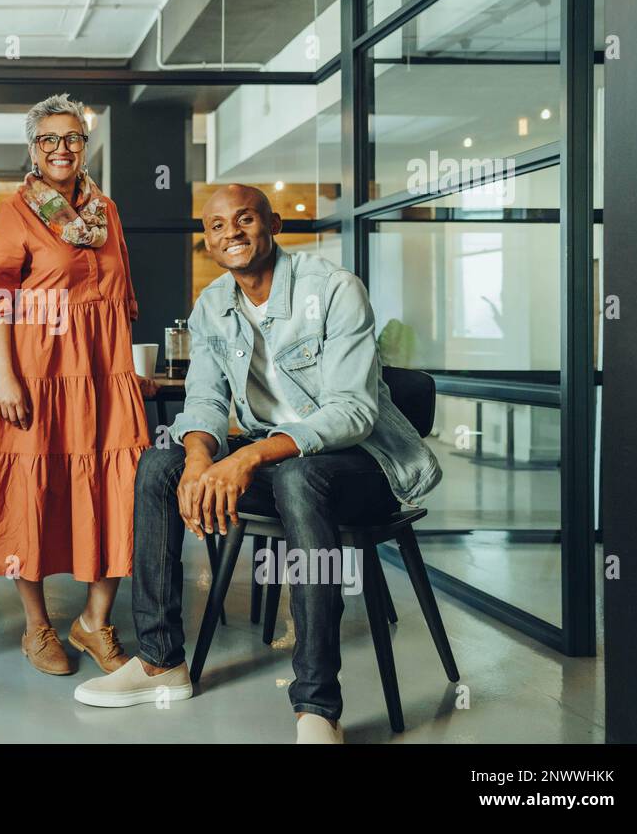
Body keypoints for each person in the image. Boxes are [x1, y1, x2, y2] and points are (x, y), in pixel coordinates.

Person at [73, 184, 442, 744]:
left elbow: (353, 412)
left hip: (366, 467)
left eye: (244, 219)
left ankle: (318, 707)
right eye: (217, 226)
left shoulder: (335, 290)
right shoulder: (212, 306)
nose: (232, 233)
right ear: (208, 242)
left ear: (273, 225)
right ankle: (159, 662)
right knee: (158, 465)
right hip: (281, 466)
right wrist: (198, 459)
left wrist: (247, 455)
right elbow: (205, 401)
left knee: (300, 475)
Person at [0, 93, 156, 677]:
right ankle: (37, 627)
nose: (62, 149)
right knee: (28, 495)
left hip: (99, 375)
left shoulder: (106, 213)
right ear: (33, 149)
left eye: (73, 138)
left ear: (84, 145)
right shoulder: (17, 212)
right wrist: (5, 378)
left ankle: (94, 621)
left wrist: (130, 375)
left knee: (118, 488)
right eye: (49, 139)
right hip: (32, 373)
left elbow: (120, 301)